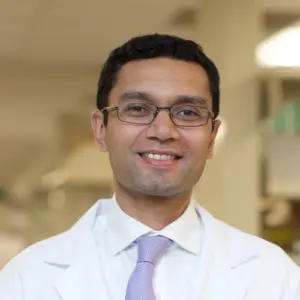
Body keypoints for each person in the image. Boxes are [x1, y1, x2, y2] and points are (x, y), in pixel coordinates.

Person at [0, 33, 299, 300]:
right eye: (138, 109)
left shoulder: (273, 277)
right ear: (100, 130)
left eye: (187, 112)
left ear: (211, 138)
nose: (163, 131)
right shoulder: (28, 278)